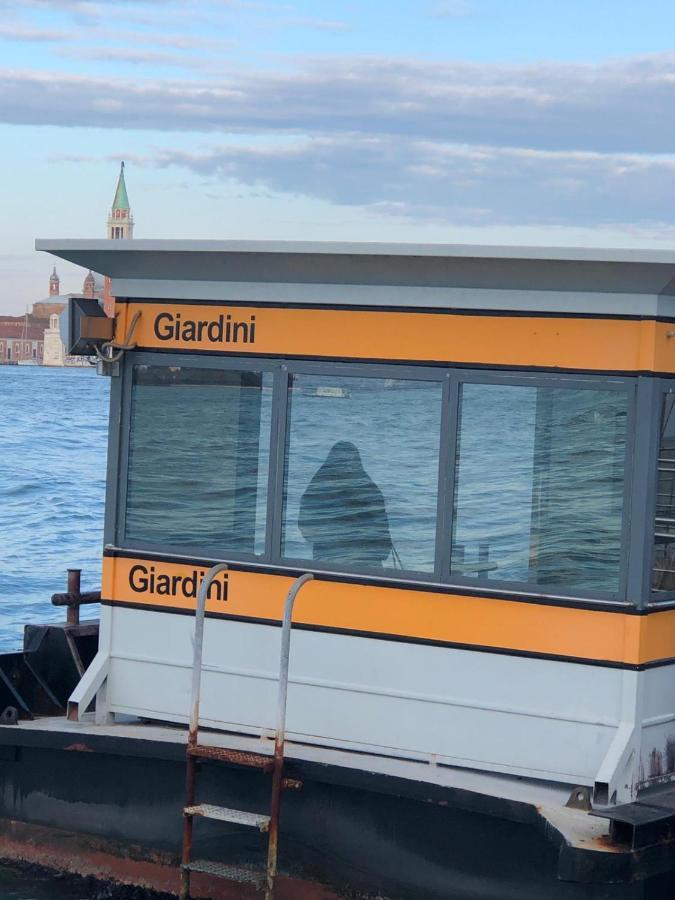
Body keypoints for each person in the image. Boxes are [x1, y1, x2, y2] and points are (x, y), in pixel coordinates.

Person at [298, 441, 393, 568]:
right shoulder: (371, 490)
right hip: (369, 567)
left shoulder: (316, 488)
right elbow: (383, 546)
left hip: (327, 565)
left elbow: (308, 531)